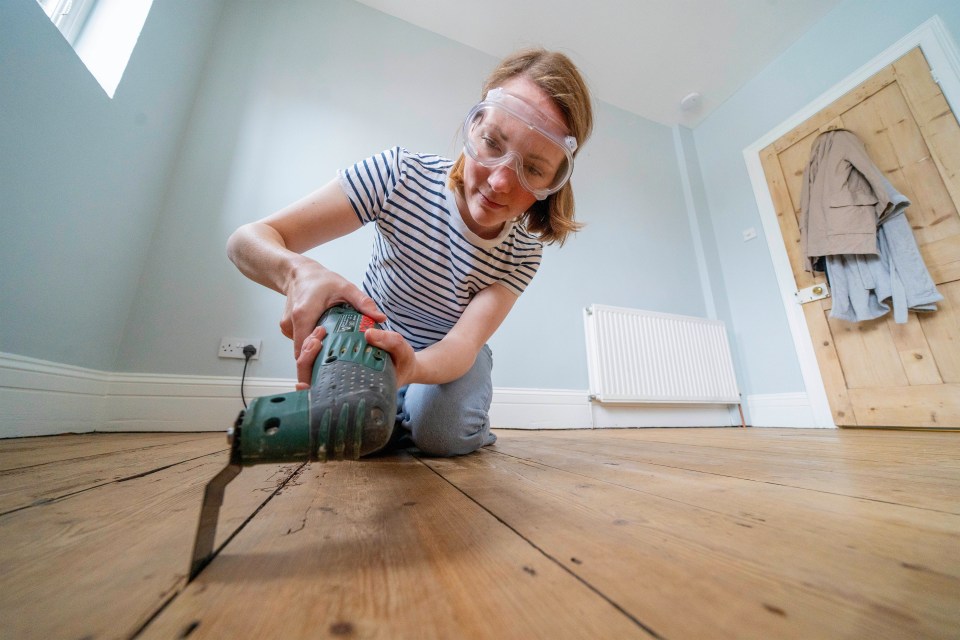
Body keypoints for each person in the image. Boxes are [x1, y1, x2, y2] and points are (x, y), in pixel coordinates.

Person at [227, 48, 593, 456]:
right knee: (361, 436)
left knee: (443, 434)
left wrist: (413, 369)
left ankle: (436, 422)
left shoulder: (523, 252)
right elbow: (246, 241)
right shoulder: (399, 175)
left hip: (450, 362)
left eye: (534, 168)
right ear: (473, 128)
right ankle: (399, 420)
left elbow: (462, 345)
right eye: (492, 142)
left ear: (554, 182)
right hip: (377, 345)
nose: (502, 181)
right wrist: (297, 272)